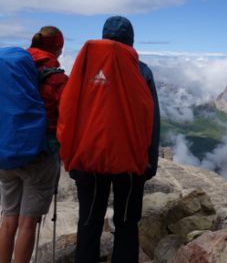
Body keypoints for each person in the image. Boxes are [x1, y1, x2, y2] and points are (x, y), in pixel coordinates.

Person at [60, 16, 160, 263]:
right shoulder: (141, 70)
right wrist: (149, 164)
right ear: (131, 40)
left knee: (89, 221)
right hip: (129, 161)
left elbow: (69, 110)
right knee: (126, 223)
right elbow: (152, 120)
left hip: (88, 158)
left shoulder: (84, 67)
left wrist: (71, 159)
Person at [0, 26, 68, 263]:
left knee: (8, 220)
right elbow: (67, 117)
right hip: (38, 157)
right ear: (58, 48)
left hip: (6, 151)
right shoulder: (56, 77)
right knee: (27, 224)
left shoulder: (12, 67)